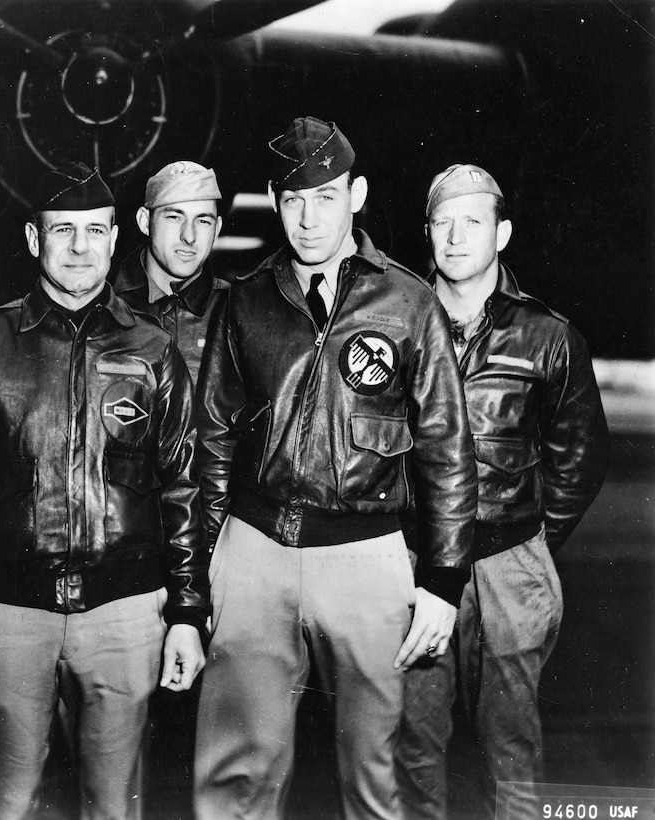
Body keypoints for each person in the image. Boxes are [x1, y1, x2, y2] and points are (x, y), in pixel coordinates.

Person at [191, 116, 478, 819]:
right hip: (254, 553)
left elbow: (446, 446)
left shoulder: (409, 301)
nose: (308, 217)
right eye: (292, 200)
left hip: (366, 557)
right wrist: (199, 565)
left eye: (325, 197)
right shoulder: (245, 300)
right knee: (236, 776)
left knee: (373, 778)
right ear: (272, 200)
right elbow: (214, 439)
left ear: (357, 195)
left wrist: (442, 580)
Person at [0, 161, 210, 820]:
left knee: (115, 806)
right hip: (1, 616)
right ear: (34, 239)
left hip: (123, 618)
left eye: (94, 231)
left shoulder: (154, 351)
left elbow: (183, 486)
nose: (79, 247)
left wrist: (186, 613)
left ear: (115, 237)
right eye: (62, 231)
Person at [396, 164, 609, 820]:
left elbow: (580, 453)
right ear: (427, 232)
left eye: (474, 221)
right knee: (411, 741)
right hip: (410, 564)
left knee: (511, 745)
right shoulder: (394, 325)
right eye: (443, 222)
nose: (457, 237)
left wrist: (530, 541)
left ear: (503, 232)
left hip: (507, 564)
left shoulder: (547, 336)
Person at [112, 160, 227, 384]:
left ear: (217, 229)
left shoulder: (238, 312)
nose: (189, 236)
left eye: (203, 220)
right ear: (145, 222)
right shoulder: (106, 308)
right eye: (174, 217)